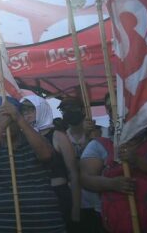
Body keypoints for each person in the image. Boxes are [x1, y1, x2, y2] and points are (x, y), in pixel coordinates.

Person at [0, 96, 64, 232]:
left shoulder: (35, 140)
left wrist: (19, 118)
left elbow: (46, 155)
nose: (6, 122)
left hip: (46, 223)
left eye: (9, 118)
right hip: (5, 224)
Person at [80, 94, 147, 233]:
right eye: (111, 108)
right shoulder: (99, 145)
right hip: (112, 223)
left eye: (123, 107)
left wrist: (138, 161)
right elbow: (85, 179)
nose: (118, 112)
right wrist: (112, 184)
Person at [21, 95, 81, 231]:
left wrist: (76, 208)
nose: (26, 114)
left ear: (41, 109)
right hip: (34, 202)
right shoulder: (23, 139)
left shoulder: (57, 136)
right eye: (23, 110)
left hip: (58, 198)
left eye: (30, 110)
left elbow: (73, 173)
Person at [58, 97, 103, 231]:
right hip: (72, 201)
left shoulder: (99, 131)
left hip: (97, 200)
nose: (68, 112)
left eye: (72, 108)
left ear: (82, 111)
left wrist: (91, 136)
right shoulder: (61, 137)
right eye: (64, 110)